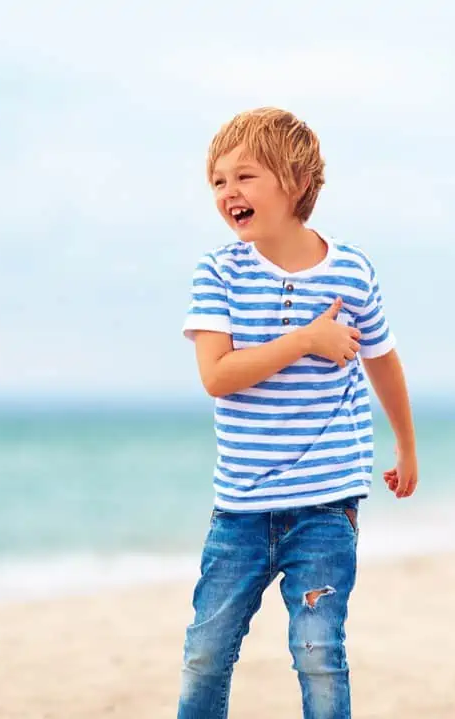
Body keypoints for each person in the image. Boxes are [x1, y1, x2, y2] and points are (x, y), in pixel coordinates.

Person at [176, 107, 418, 719]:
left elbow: (383, 361)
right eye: (218, 181)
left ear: (295, 182)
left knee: (318, 651)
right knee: (207, 651)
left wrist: (406, 447)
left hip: (327, 505)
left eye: (245, 176)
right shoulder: (218, 273)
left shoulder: (352, 271)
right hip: (240, 508)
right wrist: (307, 340)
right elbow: (217, 375)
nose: (228, 192)